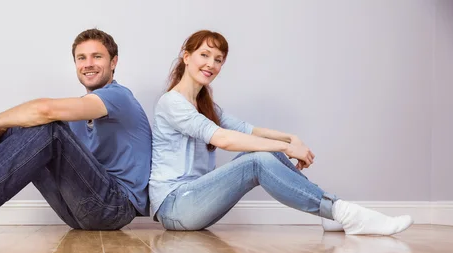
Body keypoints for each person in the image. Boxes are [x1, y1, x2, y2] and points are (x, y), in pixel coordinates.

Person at [149, 30, 412, 235]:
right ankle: (344, 213)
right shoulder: (172, 103)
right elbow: (224, 139)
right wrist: (286, 148)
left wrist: (289, 138)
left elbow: (246, 130)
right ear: (186, 57)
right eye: (204, 55)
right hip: (176, 207)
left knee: (263, 154)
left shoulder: (205, 105)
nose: (211, 64)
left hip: (193, 201)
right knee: (257, 159)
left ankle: (331, 214)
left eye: (218, 60)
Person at [0, 29, 152, 236]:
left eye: (97, 56)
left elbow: (44, 110)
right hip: (78, 212)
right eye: (81, 58)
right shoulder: (80, 108)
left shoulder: (120, 97)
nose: (88, 64)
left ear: (114, 62)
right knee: (28, 124)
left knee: (47, 124)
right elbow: (35, 122)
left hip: (115, 207)